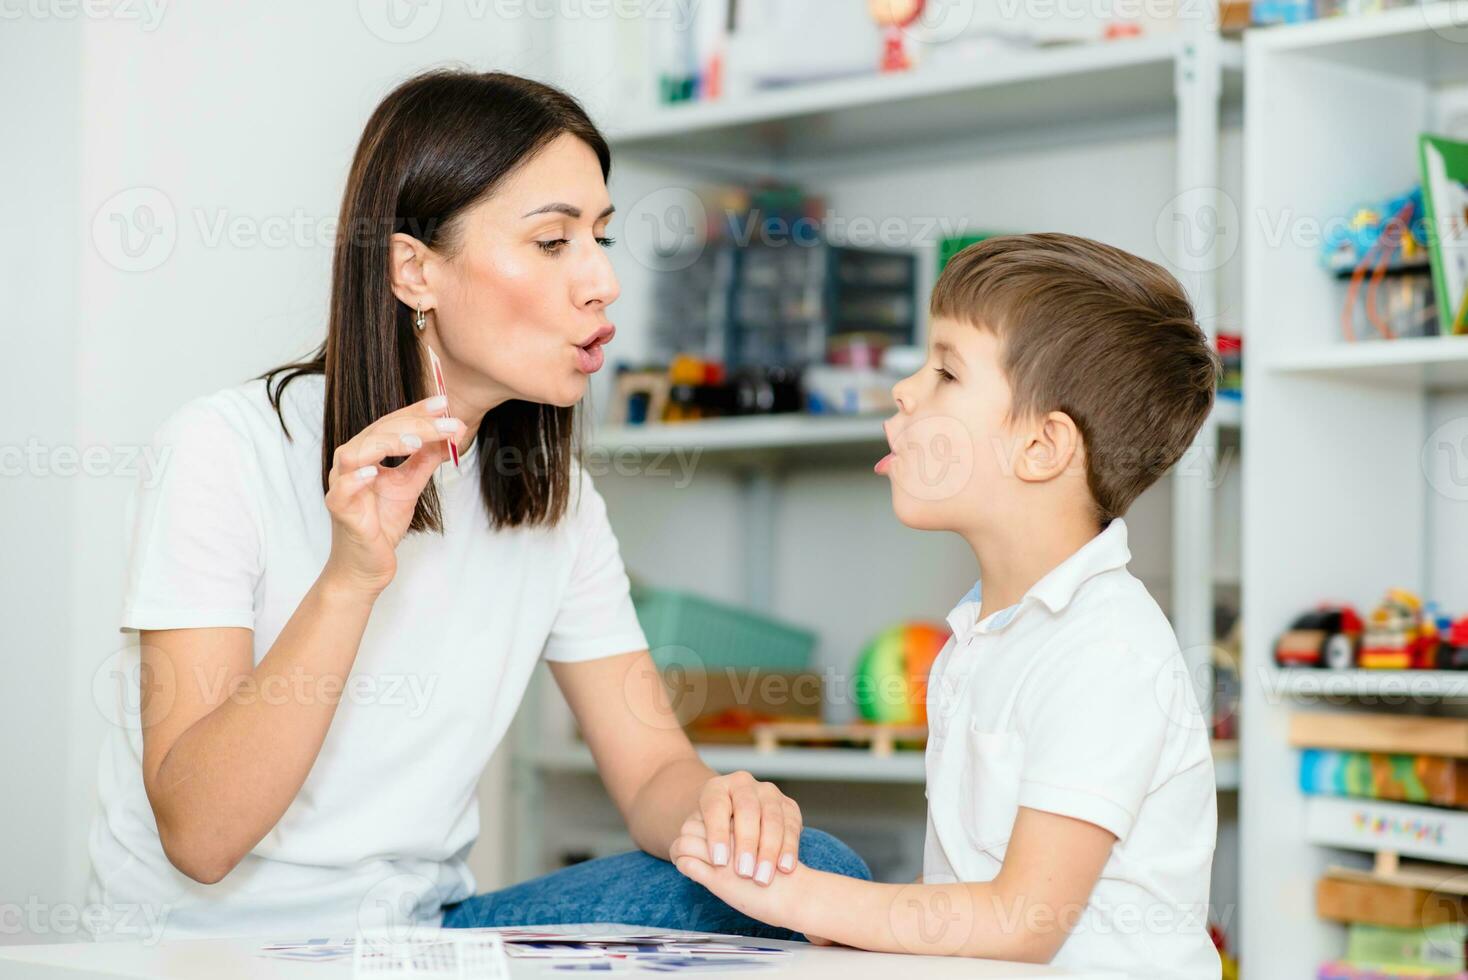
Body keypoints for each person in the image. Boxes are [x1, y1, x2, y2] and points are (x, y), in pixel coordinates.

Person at [85, 68, 868, 944]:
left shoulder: (557, 500)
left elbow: (652, 771)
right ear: (415, 269)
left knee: (817, 877)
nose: (602, 281)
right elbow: (201, 835)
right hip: (212, 953)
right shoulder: (224, 450)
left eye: (601, 237)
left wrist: (721, 807)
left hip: (421, 940)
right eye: (551, 242)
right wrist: (350, 578)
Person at [671, 233, 1223, 979]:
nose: (905, 389)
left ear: (1041, 446)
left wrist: (798, 898)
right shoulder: (983, 636)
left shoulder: (1107, 647)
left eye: (945, 371)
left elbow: (1023, 921)